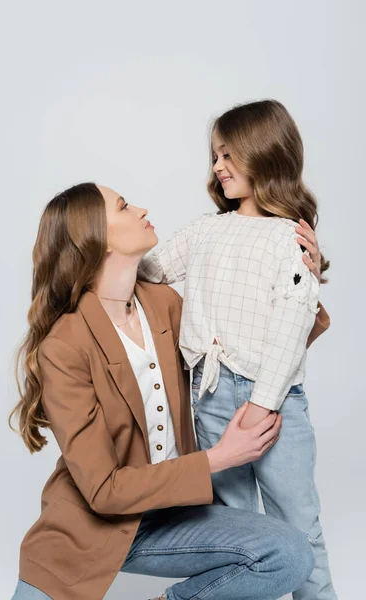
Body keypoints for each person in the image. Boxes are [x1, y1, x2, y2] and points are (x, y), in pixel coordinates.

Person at [8, 182, 326, 600]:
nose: (140, 208)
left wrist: (301, 278)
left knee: (290, 553)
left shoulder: (165, 304)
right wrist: (219, 458)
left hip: (174, 518)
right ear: (97, 240)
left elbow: (246, 353)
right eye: (123, 206)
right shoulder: (64, 346)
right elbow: (103, 490)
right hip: (88, 532)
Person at [138, 99, 336, 599]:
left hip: (274, 403)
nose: (218, 167)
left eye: (229, 155)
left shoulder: (289, 239)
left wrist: (263, 402)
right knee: (240, 535)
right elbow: (150, 269)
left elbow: (292, 326)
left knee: (300, 527)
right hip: (210, 396)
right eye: (214, 157)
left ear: (264, 153)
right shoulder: (205, 230)